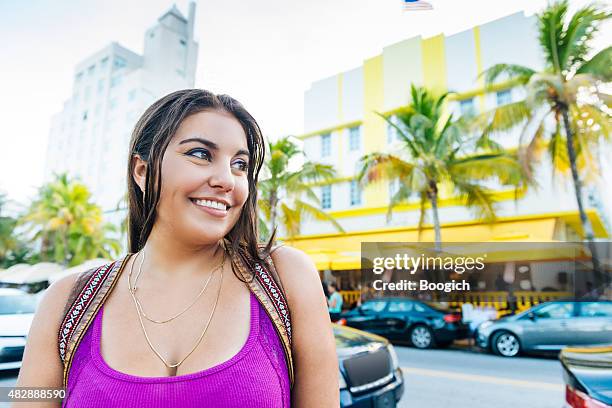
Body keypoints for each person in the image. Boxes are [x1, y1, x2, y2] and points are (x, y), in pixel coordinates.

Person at [15, 89, 339, 407]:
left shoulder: (286, 276)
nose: (227, 179)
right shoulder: (65, 302)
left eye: (240, 164)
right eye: (201, 154)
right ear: (142, 170)